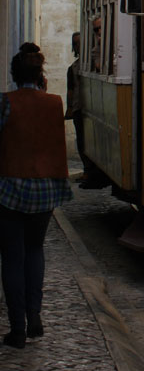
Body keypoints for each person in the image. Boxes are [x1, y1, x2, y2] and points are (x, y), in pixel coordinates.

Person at [0, 43, 72, 349]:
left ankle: (17, 328)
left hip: (10, 189)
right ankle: (35, 317)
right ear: (40, 75)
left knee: (12, 258)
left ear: (14, 75)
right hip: (44, 189)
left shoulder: (6, 103)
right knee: (35, 251)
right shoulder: (54, 103)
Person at [65, 31, 97, 188]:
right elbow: (70, 90)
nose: (78, 46)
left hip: (93, 108)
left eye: (80, 42)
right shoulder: (73, 68)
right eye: (76, 43)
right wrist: (70, 108)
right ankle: (87, 170)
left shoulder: (94, 63)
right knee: (82, 140)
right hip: (79, 107)